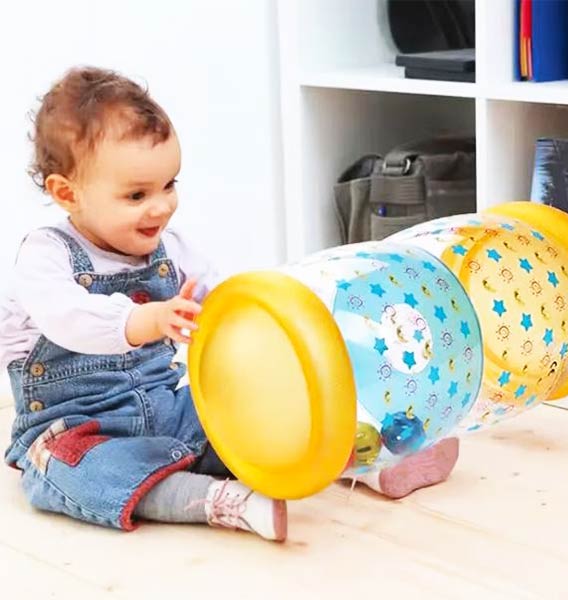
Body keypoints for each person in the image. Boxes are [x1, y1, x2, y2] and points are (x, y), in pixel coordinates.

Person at [0, 66, 458, 542]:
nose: (161, 207)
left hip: (168, 407)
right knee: (68, 470)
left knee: (253, 416)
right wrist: (147, 319)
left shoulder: (170, 250)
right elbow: (67, 319)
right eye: (137, 195)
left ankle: (365, 464)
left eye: (169, 184)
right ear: (66, 193)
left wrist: (275, 330)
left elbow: (225, 303)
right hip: (75, 426)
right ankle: (217, 502)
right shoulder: (45, 255)